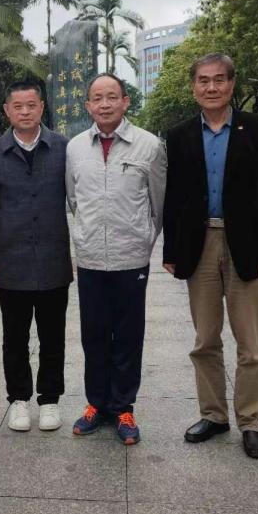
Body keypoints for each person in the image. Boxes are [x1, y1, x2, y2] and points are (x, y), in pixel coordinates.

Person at [162, 53, 258, 460]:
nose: (211, 87)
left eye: (219, 79)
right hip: (199, 245)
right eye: (203, 80)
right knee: (205, 339)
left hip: (245, 244)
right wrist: (172, 250)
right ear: (193, 87)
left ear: (232, 84)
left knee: (251, 344)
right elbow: (175, 196)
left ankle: (252, 422)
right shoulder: (179, 135)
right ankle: (213, 415)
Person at [66, 73, 167, 445]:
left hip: (131, 259)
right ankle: (96, 403)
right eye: (97, 98)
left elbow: (158, 204)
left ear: (126, 101)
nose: (105, 104)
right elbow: (73, 199)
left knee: (128, 335)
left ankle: (123, 406)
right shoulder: (75, 147)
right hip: (90, 258)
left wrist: (142, 239)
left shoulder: (149, 145)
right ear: (88, 105)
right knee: (93, 335)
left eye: (112, 97)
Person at [0, 81, 72, 432]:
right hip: (12, 261)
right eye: (17, 106)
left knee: (53, 336)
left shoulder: (63, 148)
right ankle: (18, 399)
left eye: (31, 105)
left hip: (53, 260)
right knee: (15, 337)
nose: (24, 112)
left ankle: (49, 399)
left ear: (42, 107)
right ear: (7, 110)